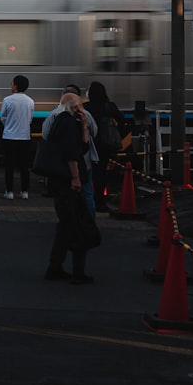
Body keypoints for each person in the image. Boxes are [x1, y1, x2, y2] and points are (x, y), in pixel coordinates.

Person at [44, 93, 95, 285]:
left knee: (66, 227)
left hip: (61, 182)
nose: (82, 110)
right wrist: (75, 178)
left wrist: (83, 126)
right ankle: (76, 272)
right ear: (74, 107)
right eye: (80, 106)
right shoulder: (67, 124)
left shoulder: (64, 122)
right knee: (76, 224)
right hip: (67, 182)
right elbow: (72, 154)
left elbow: (82, 148)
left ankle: (55, 267)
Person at [42, 84, 98, 209]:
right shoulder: (85, 115)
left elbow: (45, 135)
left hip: (62, 164)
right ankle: (87, 223)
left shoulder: (54, 115)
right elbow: (93, 135)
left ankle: (73, 224)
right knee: (87, 194)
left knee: (64, 196)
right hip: (84, 162)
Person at [83, 81, 125, 213]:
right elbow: (122, 121)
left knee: (87, 172)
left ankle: (87, 200)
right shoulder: (110, 107)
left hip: (89, 144)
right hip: (105, 145)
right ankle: (100, 202)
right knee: (101, 173)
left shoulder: (86, 107)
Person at [0, 75, 34, 199]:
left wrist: (9, 125)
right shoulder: (30, 101)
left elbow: (3, 117)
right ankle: (24, 191)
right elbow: (30, 119)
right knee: (24, 166)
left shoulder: (7, 100)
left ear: (15, 86)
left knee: (9, 166)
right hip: (25, 137)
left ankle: (9, 192)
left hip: (9, 136)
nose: (11, 85)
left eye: (12, 83)